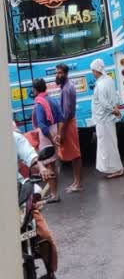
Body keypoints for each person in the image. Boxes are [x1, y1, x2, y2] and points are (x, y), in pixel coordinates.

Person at [13, 122, 58, 275]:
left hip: (17, 193)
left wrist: (42, 168)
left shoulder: (12, 138)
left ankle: (50, 272)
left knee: (44, 236)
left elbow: (31, 156)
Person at [31, 78, 64, 203]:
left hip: (47, 136)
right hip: (55, 130)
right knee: (53, 163)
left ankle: (54, 194)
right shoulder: (52, 100)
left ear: (35, 89)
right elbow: (61, 118)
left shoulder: (40, 103)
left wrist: (51, 139)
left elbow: (42, 125)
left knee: (47, 164)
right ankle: (54, 193)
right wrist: (58, 135)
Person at [91, 59, 124, 178]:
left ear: (96, 71)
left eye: (93, 70)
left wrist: (113, 111)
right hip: (107, 119)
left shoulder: (100, 85)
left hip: (103, 120)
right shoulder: (109, 80)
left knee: (107, 146)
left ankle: (116, 169)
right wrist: (115, 108)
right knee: (111, 143)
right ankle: (113, 168)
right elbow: (115, 95)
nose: (92, 73)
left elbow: (104, 103)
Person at [55, 64, 83, 193]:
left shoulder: (66, 89)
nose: (58, 75)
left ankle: (78, 183)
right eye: (57, 72)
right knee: (73, 154)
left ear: (66, 74)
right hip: (69, 122)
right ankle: (76, 182)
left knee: (75, 155)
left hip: (68, 124)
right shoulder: (67, 86)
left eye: (60, 73)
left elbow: (66, 114)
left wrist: (60, 133)